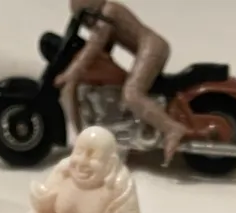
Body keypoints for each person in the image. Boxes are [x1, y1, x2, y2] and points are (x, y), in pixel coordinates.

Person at [55, 0, 188, 163]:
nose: (85, 24)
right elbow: (104, 47)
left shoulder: (107, 13)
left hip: (152, 48)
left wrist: (71, 72)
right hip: (148, 47)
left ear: (90, 10)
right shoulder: (107, 14)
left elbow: (94, 45)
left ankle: (171, 128)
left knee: (131, 94)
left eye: (83, 18)